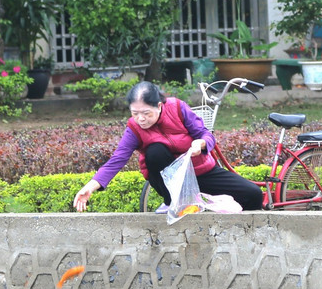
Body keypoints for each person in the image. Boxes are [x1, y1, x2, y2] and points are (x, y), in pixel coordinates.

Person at [73, 81, 264, 212]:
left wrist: (201, 143)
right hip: (171, 182)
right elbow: (117, 160)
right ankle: (176, 202)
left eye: (146, 113)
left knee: (253, 195)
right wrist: (90, 187)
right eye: (135, 113)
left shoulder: (178, 108)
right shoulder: (134, 128)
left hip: (201, 171)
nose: (140, 118)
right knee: (155, 151)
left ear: (159, 105)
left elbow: (205, 134)